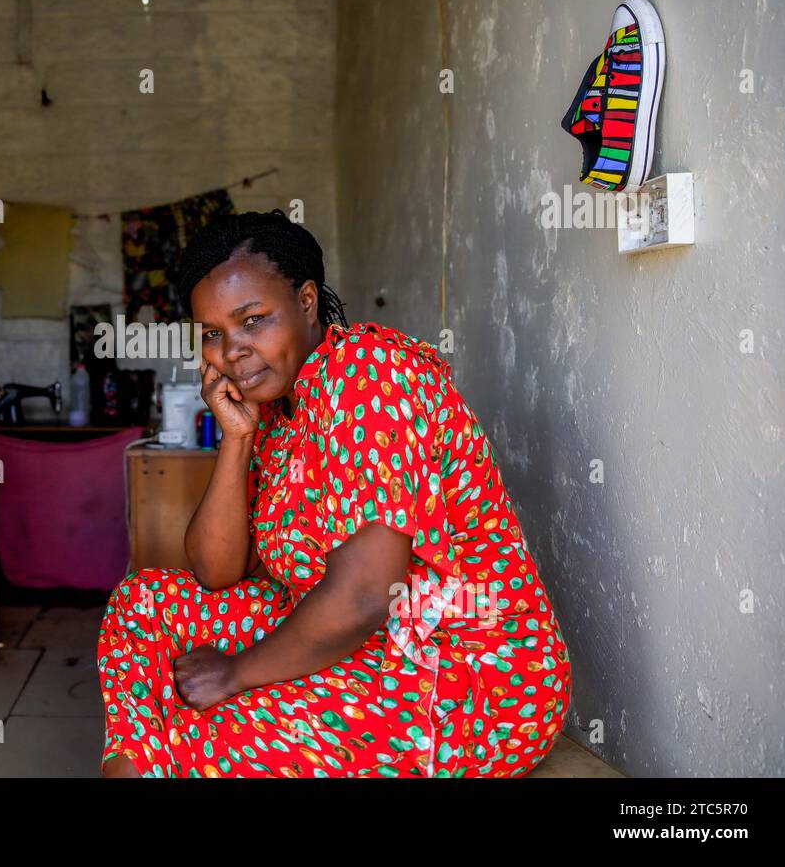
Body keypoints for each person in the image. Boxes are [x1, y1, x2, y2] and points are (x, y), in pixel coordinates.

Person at [97, 209, 572, 777]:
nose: (233, 350)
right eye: (213, 333)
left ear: (305, 301)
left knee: (206, 735)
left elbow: (367, 596)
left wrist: (236, 673)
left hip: (461, 669)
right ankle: (135, 763)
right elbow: (217, 571)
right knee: (143, 603)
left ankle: (152, 759)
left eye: (253, 320)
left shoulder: (371, 374)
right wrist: (237, 438)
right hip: (357, 637)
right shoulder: (280, 405)